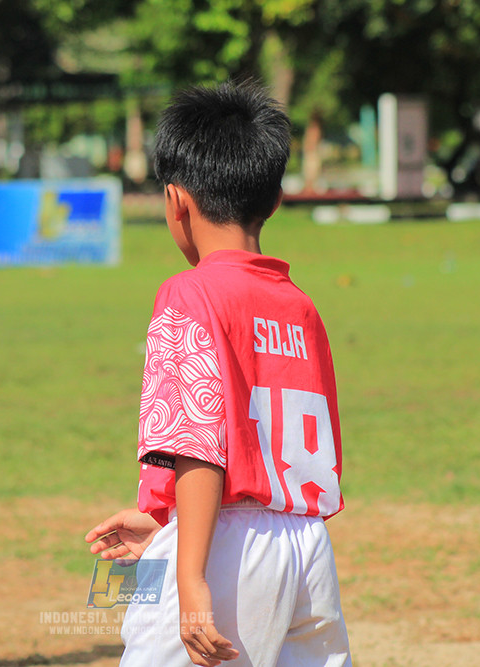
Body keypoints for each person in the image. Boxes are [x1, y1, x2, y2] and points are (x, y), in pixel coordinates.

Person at [85, 81, 352, 667]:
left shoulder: (189, 294)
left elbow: (200, 445)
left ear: (176, 200)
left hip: (223, 545)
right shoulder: (300, 305)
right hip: (306, 545)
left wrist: (192, 576)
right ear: (275, 199)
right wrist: (160, 513)